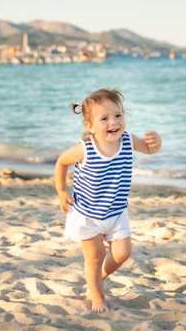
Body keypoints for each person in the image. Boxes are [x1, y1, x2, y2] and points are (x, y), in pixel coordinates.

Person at [55, 87, 162, 313]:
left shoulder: (127, 140)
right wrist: (61, 191)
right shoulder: (84, 149)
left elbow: (149, 149)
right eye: (104, 118)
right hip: (87, 213)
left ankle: (97, 278)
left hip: (115, 211)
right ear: (90, 126)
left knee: (123, 253)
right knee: (95, 256)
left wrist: (156, 143)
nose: (113, 122)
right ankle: (98, 297)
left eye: (118, 115)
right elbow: (61, 162)